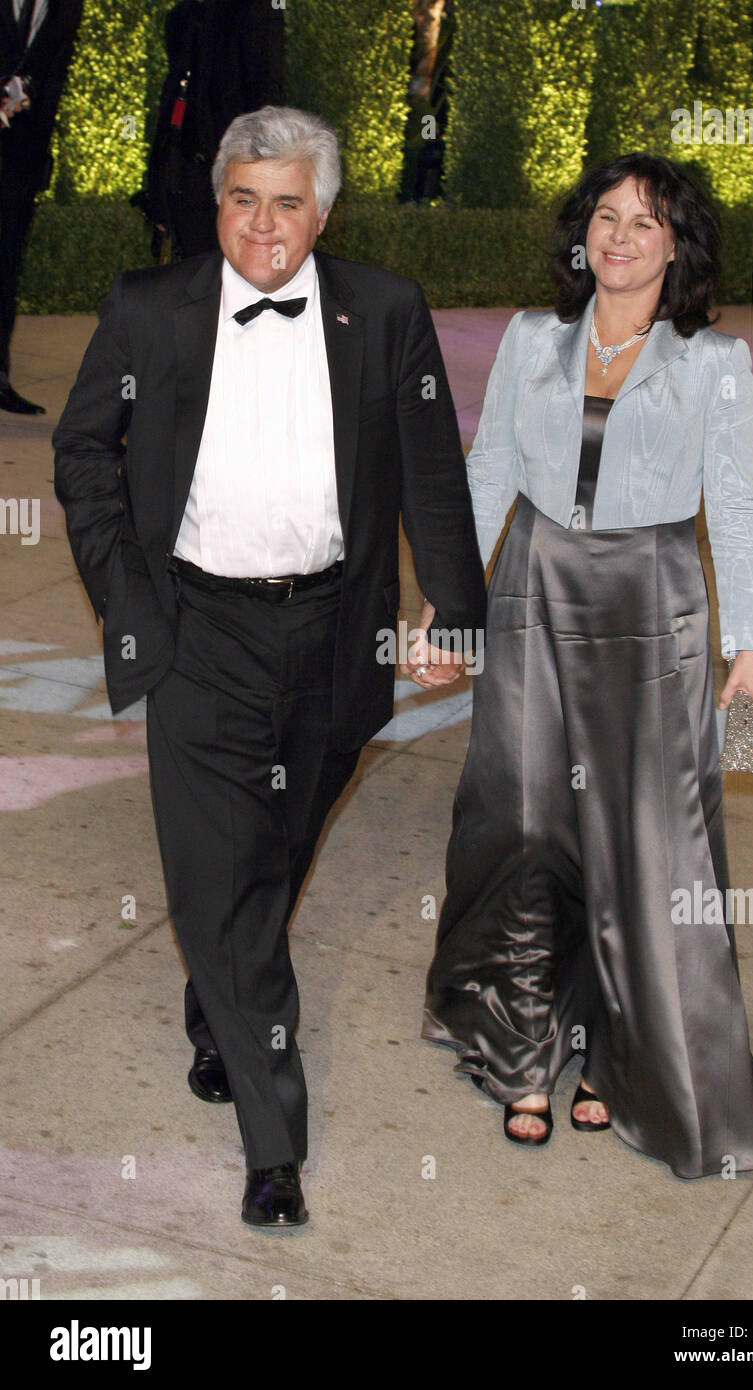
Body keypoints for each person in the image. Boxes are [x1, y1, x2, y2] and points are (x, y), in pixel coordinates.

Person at [54, 105, 486, 1226]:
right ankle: (272, 1141)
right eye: (242, 198)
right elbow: (81, 449)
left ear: (323, 211)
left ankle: (219, 1003)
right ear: (217, 202)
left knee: (272, 857)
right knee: (222, 875)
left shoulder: (383, 309)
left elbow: (430, 460)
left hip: (337, 630)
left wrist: (453, 601)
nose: (262, 225)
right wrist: (126, 597)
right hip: (198, 633)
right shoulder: (149, 309)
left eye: (287, 201)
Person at [422, 153, 753, 1180]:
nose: (620, 236)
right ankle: (520, 1039)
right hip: (535, 588)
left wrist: (748, 641)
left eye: (646, 221)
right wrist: (452, 604)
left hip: (649, 601)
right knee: (527, 816)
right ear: (580, 233)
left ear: (679, 246)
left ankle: (623, 1057)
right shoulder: (532, 338)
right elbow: (489, 462)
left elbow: (740, 501)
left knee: (638, 837)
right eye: (605, 217)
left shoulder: (714, 361)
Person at [138, 0, 284, 260]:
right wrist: (159, 184)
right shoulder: (183, 16)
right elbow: (172, 100)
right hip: (189, 176)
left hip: (232, 176)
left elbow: (265, 98)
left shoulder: (256, 11)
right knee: (193, 277)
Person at [0, 0, 82, 413]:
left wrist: (24, 97)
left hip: (22, 153)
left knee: (7, 262)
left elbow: (53, 68)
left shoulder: (67, 6)